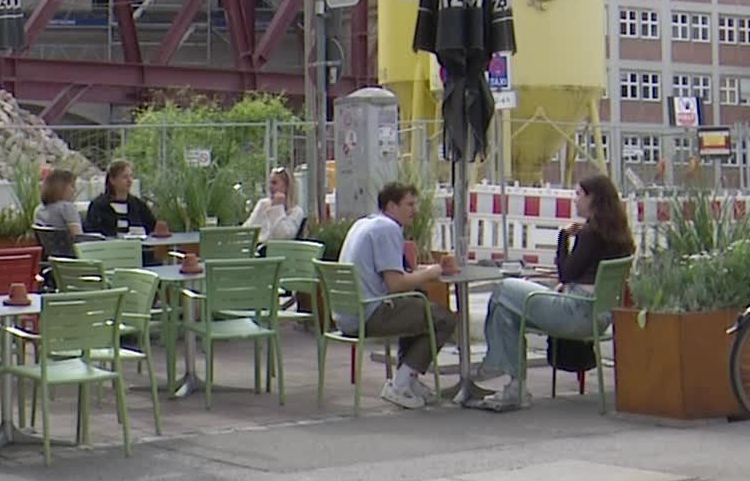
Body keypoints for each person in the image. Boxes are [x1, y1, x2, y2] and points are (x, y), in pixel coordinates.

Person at [467, 173, 635, 412]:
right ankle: (513, 386)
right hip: (600, 316)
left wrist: (562, 238)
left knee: (504, 289)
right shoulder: (619, 236)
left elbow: (566, 273)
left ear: (593, 198)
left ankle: (497, 366)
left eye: (578, 194)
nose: (575, 200)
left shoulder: (589, 234)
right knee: (507, 311)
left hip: (576, 313)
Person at [336, 182, 457, 410]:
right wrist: (433, 272)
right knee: (443, 319)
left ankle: (408, 379)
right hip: (369, 314)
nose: (415, 210)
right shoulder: (388, 229)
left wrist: (425, 272)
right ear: (392, 206)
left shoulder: (365, 224)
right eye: (409, 204)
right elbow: (395, 284)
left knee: (417, 305)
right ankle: (400, 383)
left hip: (348, 314)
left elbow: (394, 274)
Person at [83, 159, 159, 238]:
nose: (129, 180)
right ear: (112, 180)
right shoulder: (99, 206)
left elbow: (152, 229)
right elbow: (91, 233)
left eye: (131, 176)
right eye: (125, 177)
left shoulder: (138, 205)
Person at [243, 167, 306, 243]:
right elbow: (247, 229)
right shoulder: (263, 204)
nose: (270, 187)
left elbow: (282, 236)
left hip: (277, 251)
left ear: (286, 186)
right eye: (269, 183)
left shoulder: (296, 211)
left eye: (274, 183)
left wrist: (277, 207)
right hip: (257, 249)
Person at [34, 168, 86, 238]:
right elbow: (79, 237)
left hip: (50, 248)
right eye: (72, 186)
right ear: (61, 187)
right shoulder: (67, 208)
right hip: (68, 248)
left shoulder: (39, 210)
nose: (75, 190)